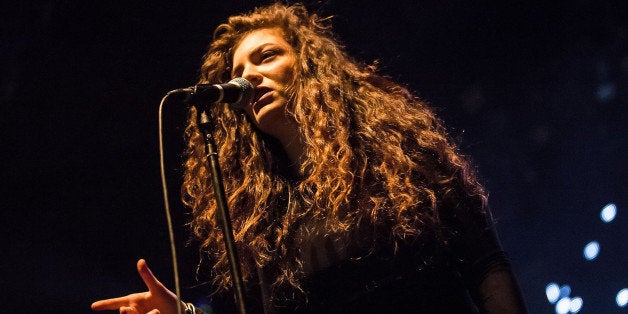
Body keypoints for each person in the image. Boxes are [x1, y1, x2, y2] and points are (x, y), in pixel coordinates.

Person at [92, 3, 527, 313]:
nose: (248, 77)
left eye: (266, 56)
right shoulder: (262, 221)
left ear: (310, 66)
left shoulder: (402, 156)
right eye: (238, 73)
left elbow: (486, 264)